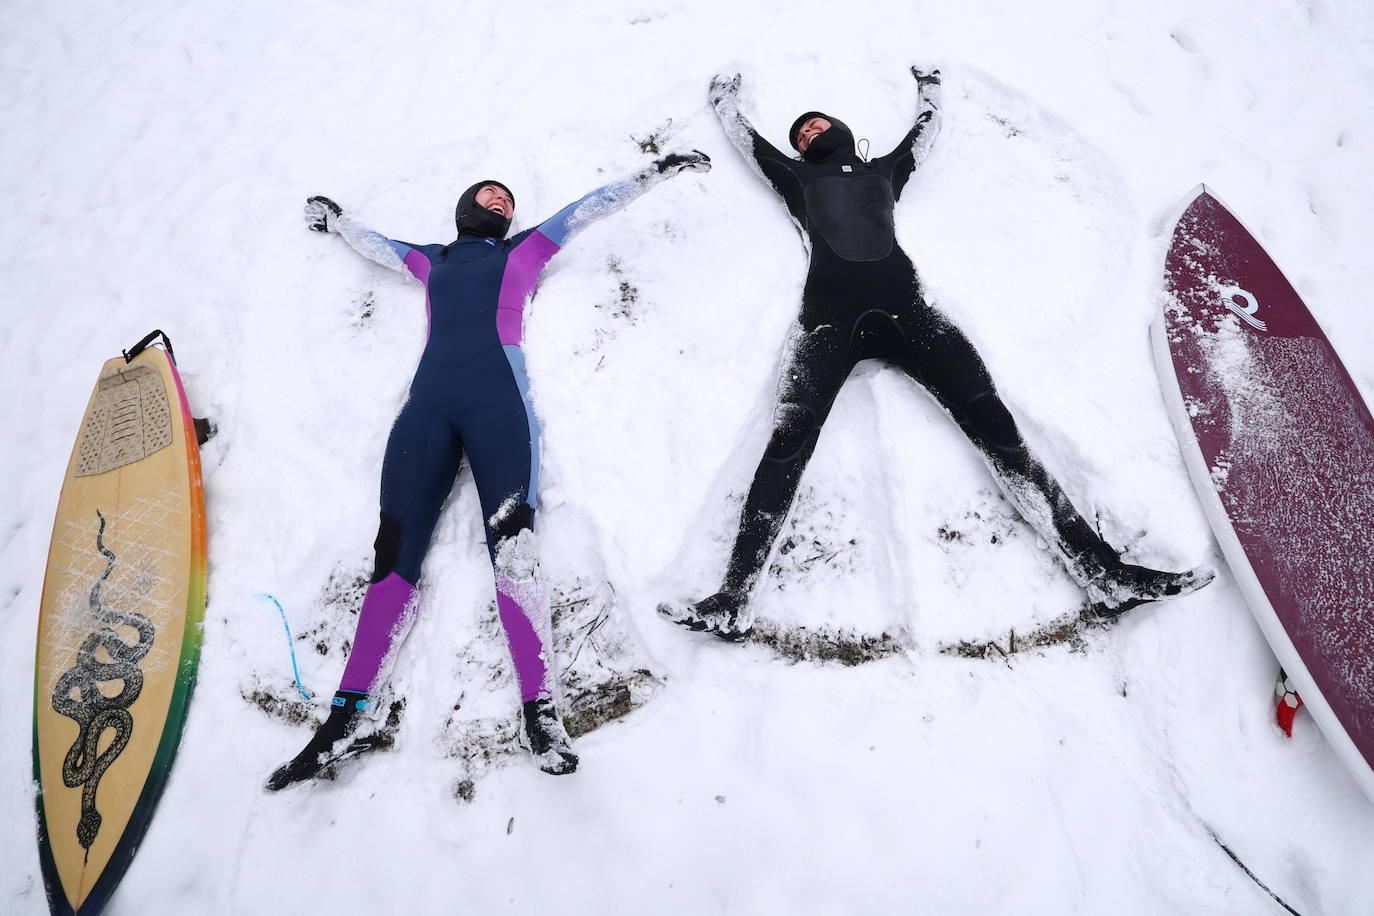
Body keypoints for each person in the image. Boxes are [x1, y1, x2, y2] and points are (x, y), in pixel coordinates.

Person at [659, 69, 1211, 641]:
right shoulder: (794, 175)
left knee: (997, 428)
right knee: (787, 444)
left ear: (843, 130)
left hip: (911, 312)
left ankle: (1103, 573)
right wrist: (726, 100)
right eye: (799, 135)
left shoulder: (883, 170)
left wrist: (930, 89)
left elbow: (924, 133)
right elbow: (750, 144)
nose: (807, 136)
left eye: (815, 125)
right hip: (827, 319)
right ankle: (734, 598)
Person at [268, 149, 711, 789]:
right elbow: (377, 245)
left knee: (515, 548)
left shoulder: (522, 252)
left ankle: (541, 711)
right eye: (489, 195)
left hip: (498, 406)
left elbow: (586, 211)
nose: (502, 201)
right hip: (426, 411)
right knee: (393, 553)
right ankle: (346, 717)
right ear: (464, 209)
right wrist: (336, 221)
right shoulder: (433, 260)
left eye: (508, 198)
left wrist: (651, 174)